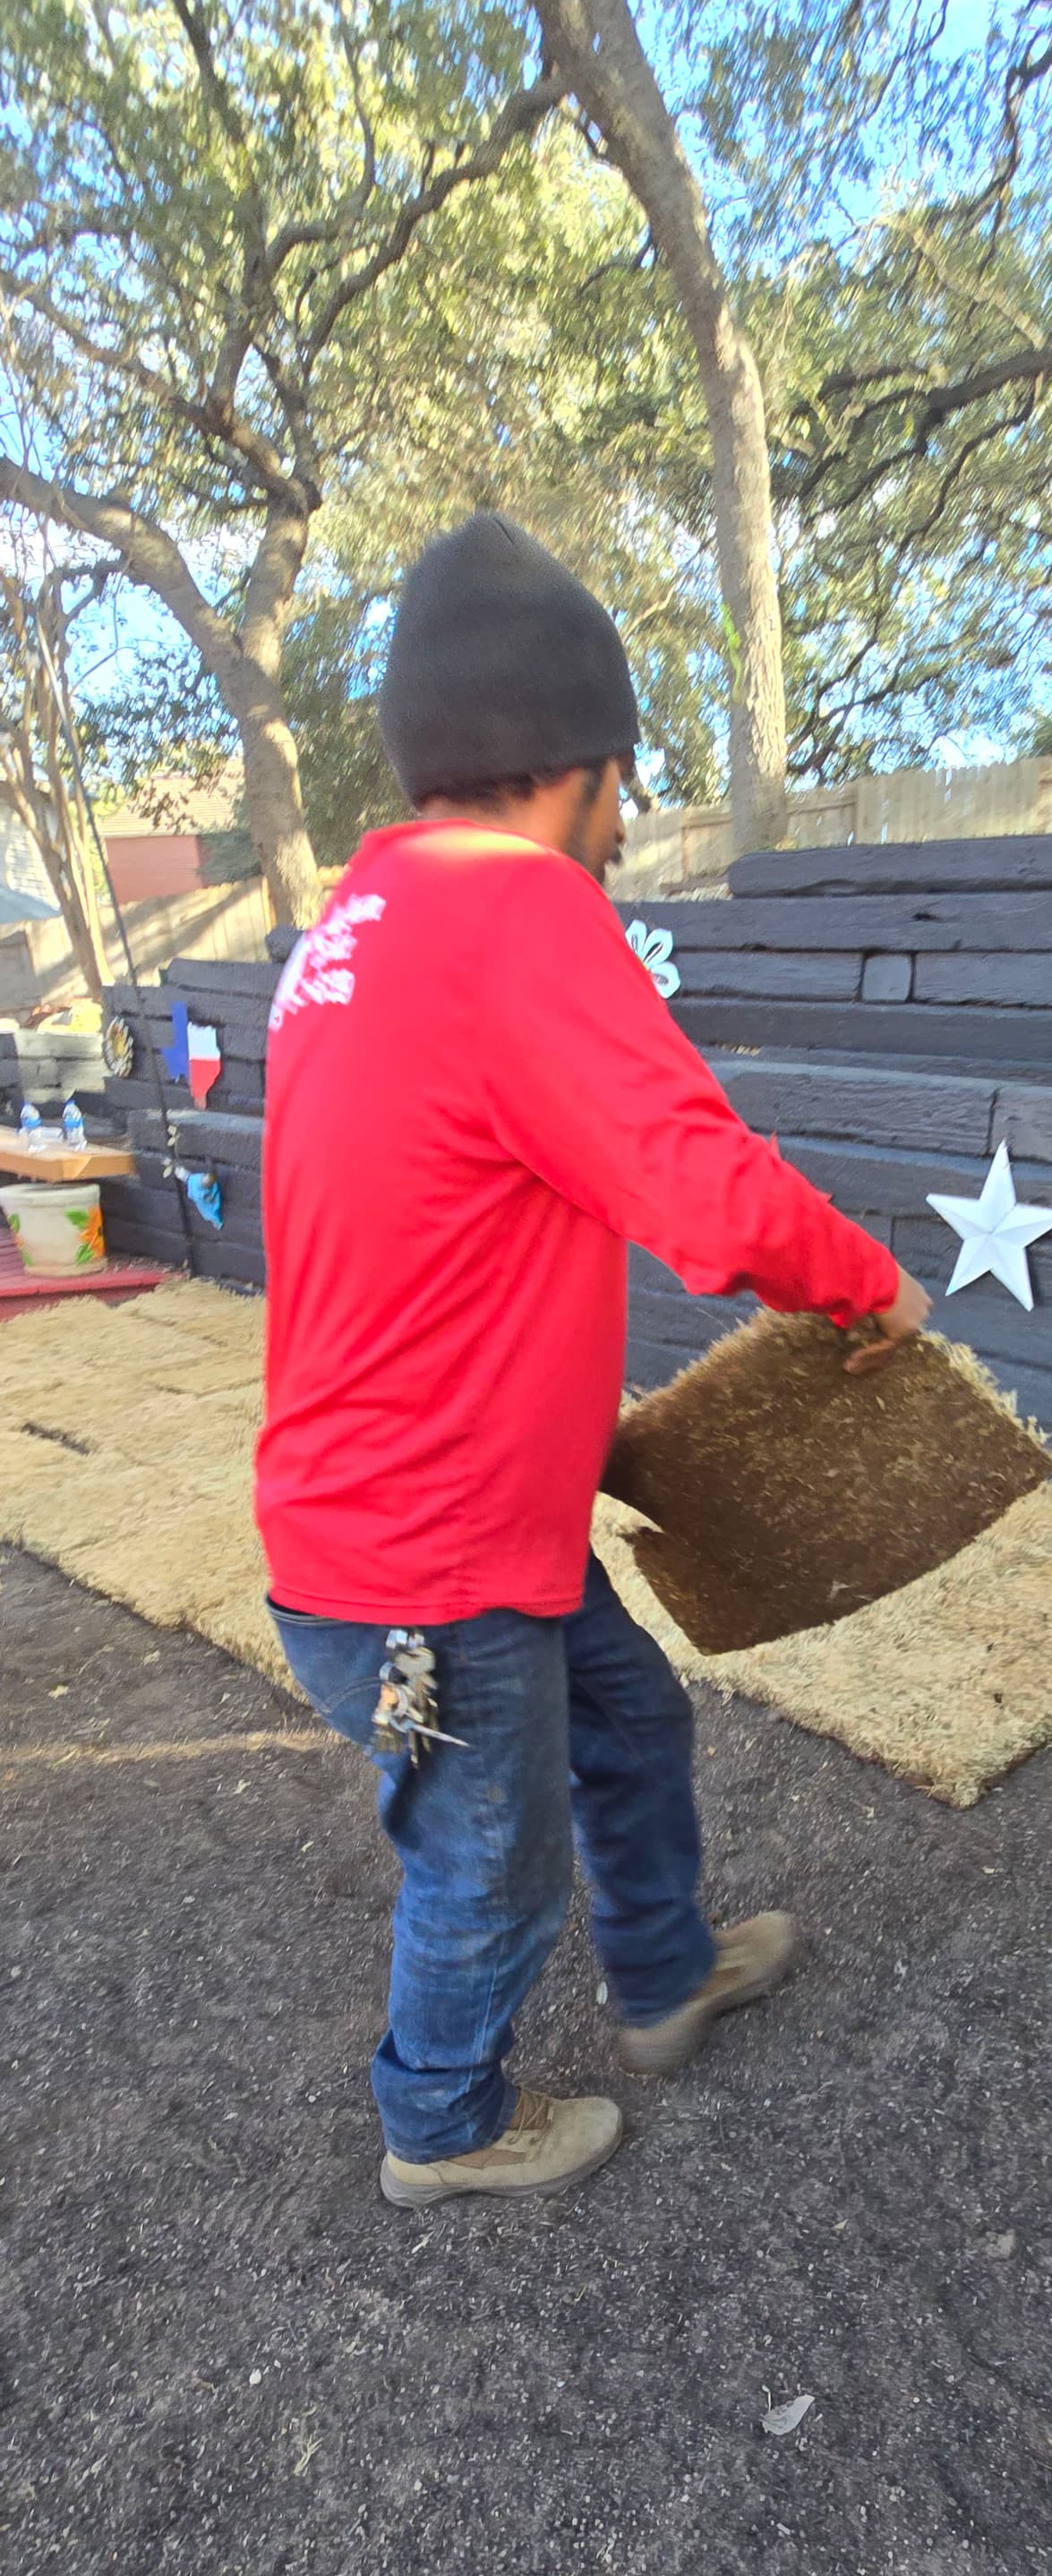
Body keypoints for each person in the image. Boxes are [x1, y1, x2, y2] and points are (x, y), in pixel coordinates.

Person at [256, 513, 929, 2212]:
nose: (627, 821)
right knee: (486, 1857)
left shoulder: (353, 927)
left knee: (629, 1719)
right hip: (431, 1557)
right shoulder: (524, 916)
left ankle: (662, 1972)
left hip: (440, 1513)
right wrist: (863, 1290)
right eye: (628, 782)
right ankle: (442, 2119)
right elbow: (697, 1181)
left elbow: (452, 1213)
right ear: (587, 763)